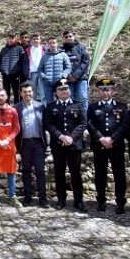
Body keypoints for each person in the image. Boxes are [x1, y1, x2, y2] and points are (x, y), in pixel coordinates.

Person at [87, 78, 130, 214]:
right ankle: (101, 200)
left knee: (119, 174)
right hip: (99, 146)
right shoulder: (92, 107)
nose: (105, 92)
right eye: (102, 89)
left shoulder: (121, 106)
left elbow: (124, 125)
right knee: (100, 174)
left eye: (108, 89)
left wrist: (112, 138)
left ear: (113, 91)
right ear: (98, 91)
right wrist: (101, 138)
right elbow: (89, 124)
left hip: (116, 145)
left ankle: (120, 202)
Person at [44, 79, 87, 212]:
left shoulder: (78, 105)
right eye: (61, 89)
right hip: (58, 145)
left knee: (75, 174)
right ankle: (61, 200)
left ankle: (78, 201)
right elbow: (48, 124)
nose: (64, 91)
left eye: (66, 88)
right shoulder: (50, 106)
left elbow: (82, 123)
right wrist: (61, 136)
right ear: (56, 92)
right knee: (59, 173)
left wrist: (71, 137)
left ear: (69, 90)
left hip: (74, 145)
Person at [14, 81, 48, 208]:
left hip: (38, 143)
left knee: (40, 171)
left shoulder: (40, 106)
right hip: (24, 143)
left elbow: (45, 125)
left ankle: (42, 198)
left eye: (29, 91)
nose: (27, 94)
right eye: (25, 92)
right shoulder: (16, 108)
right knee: (26, 170)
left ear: (33, 92)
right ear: (20, 93)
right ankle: (27, 197)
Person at [0, 89, 22, 209]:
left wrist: (8, 140)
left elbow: (17, 128)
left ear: (7, 97)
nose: (0, 97)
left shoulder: (13, 111)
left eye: (2, 95)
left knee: (11, 171)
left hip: (9, 146)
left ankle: (13, 196)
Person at [62, 30, 90, 111]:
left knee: (82, 97)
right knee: (70, 98)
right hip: (68, 79)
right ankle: (73, 120)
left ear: (73, 37)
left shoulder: (82, 47)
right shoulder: (61, 49)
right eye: (66, 37)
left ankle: (85, 119)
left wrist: (75, 75)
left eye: (70, 36)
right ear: (63, 38)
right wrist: (67, 75)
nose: (68, 38)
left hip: (81, 77)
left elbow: (85, 62)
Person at [37, 37, 71, 104]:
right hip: (48, 83)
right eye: (50, 43)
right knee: (49, 103)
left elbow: (68, 67)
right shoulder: (44, 56)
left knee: (61, 102)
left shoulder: (63, 54)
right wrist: (43, 76)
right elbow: (39, 69)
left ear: (57, 44)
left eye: (54, 43)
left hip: (60, 83)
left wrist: (63, 76)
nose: (52, 44)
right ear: (48, 45)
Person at [0, 31, 25, 104]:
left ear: (15, 38)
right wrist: (2, 69)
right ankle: (6, 110)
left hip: (15, 75)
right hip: (5, 75)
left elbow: (22, 61)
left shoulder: (19, 48)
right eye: (9, 38)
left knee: (16, 93)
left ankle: (16, 110)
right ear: (7, 38)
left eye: (12, 38)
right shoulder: (3, 49)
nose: (11, 40)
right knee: (6, 94)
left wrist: (17, 71)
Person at [25, 33, 45, 102]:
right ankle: (33, 110)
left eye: (37, 39)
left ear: (40, 40)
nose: (36, 40)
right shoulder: (27, 50)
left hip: (42, 72)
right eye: (34, 39)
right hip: (32, 73)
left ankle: (43, 110)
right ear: (31, 40)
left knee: (43, 93)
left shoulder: (44, 49)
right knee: (33, 94)